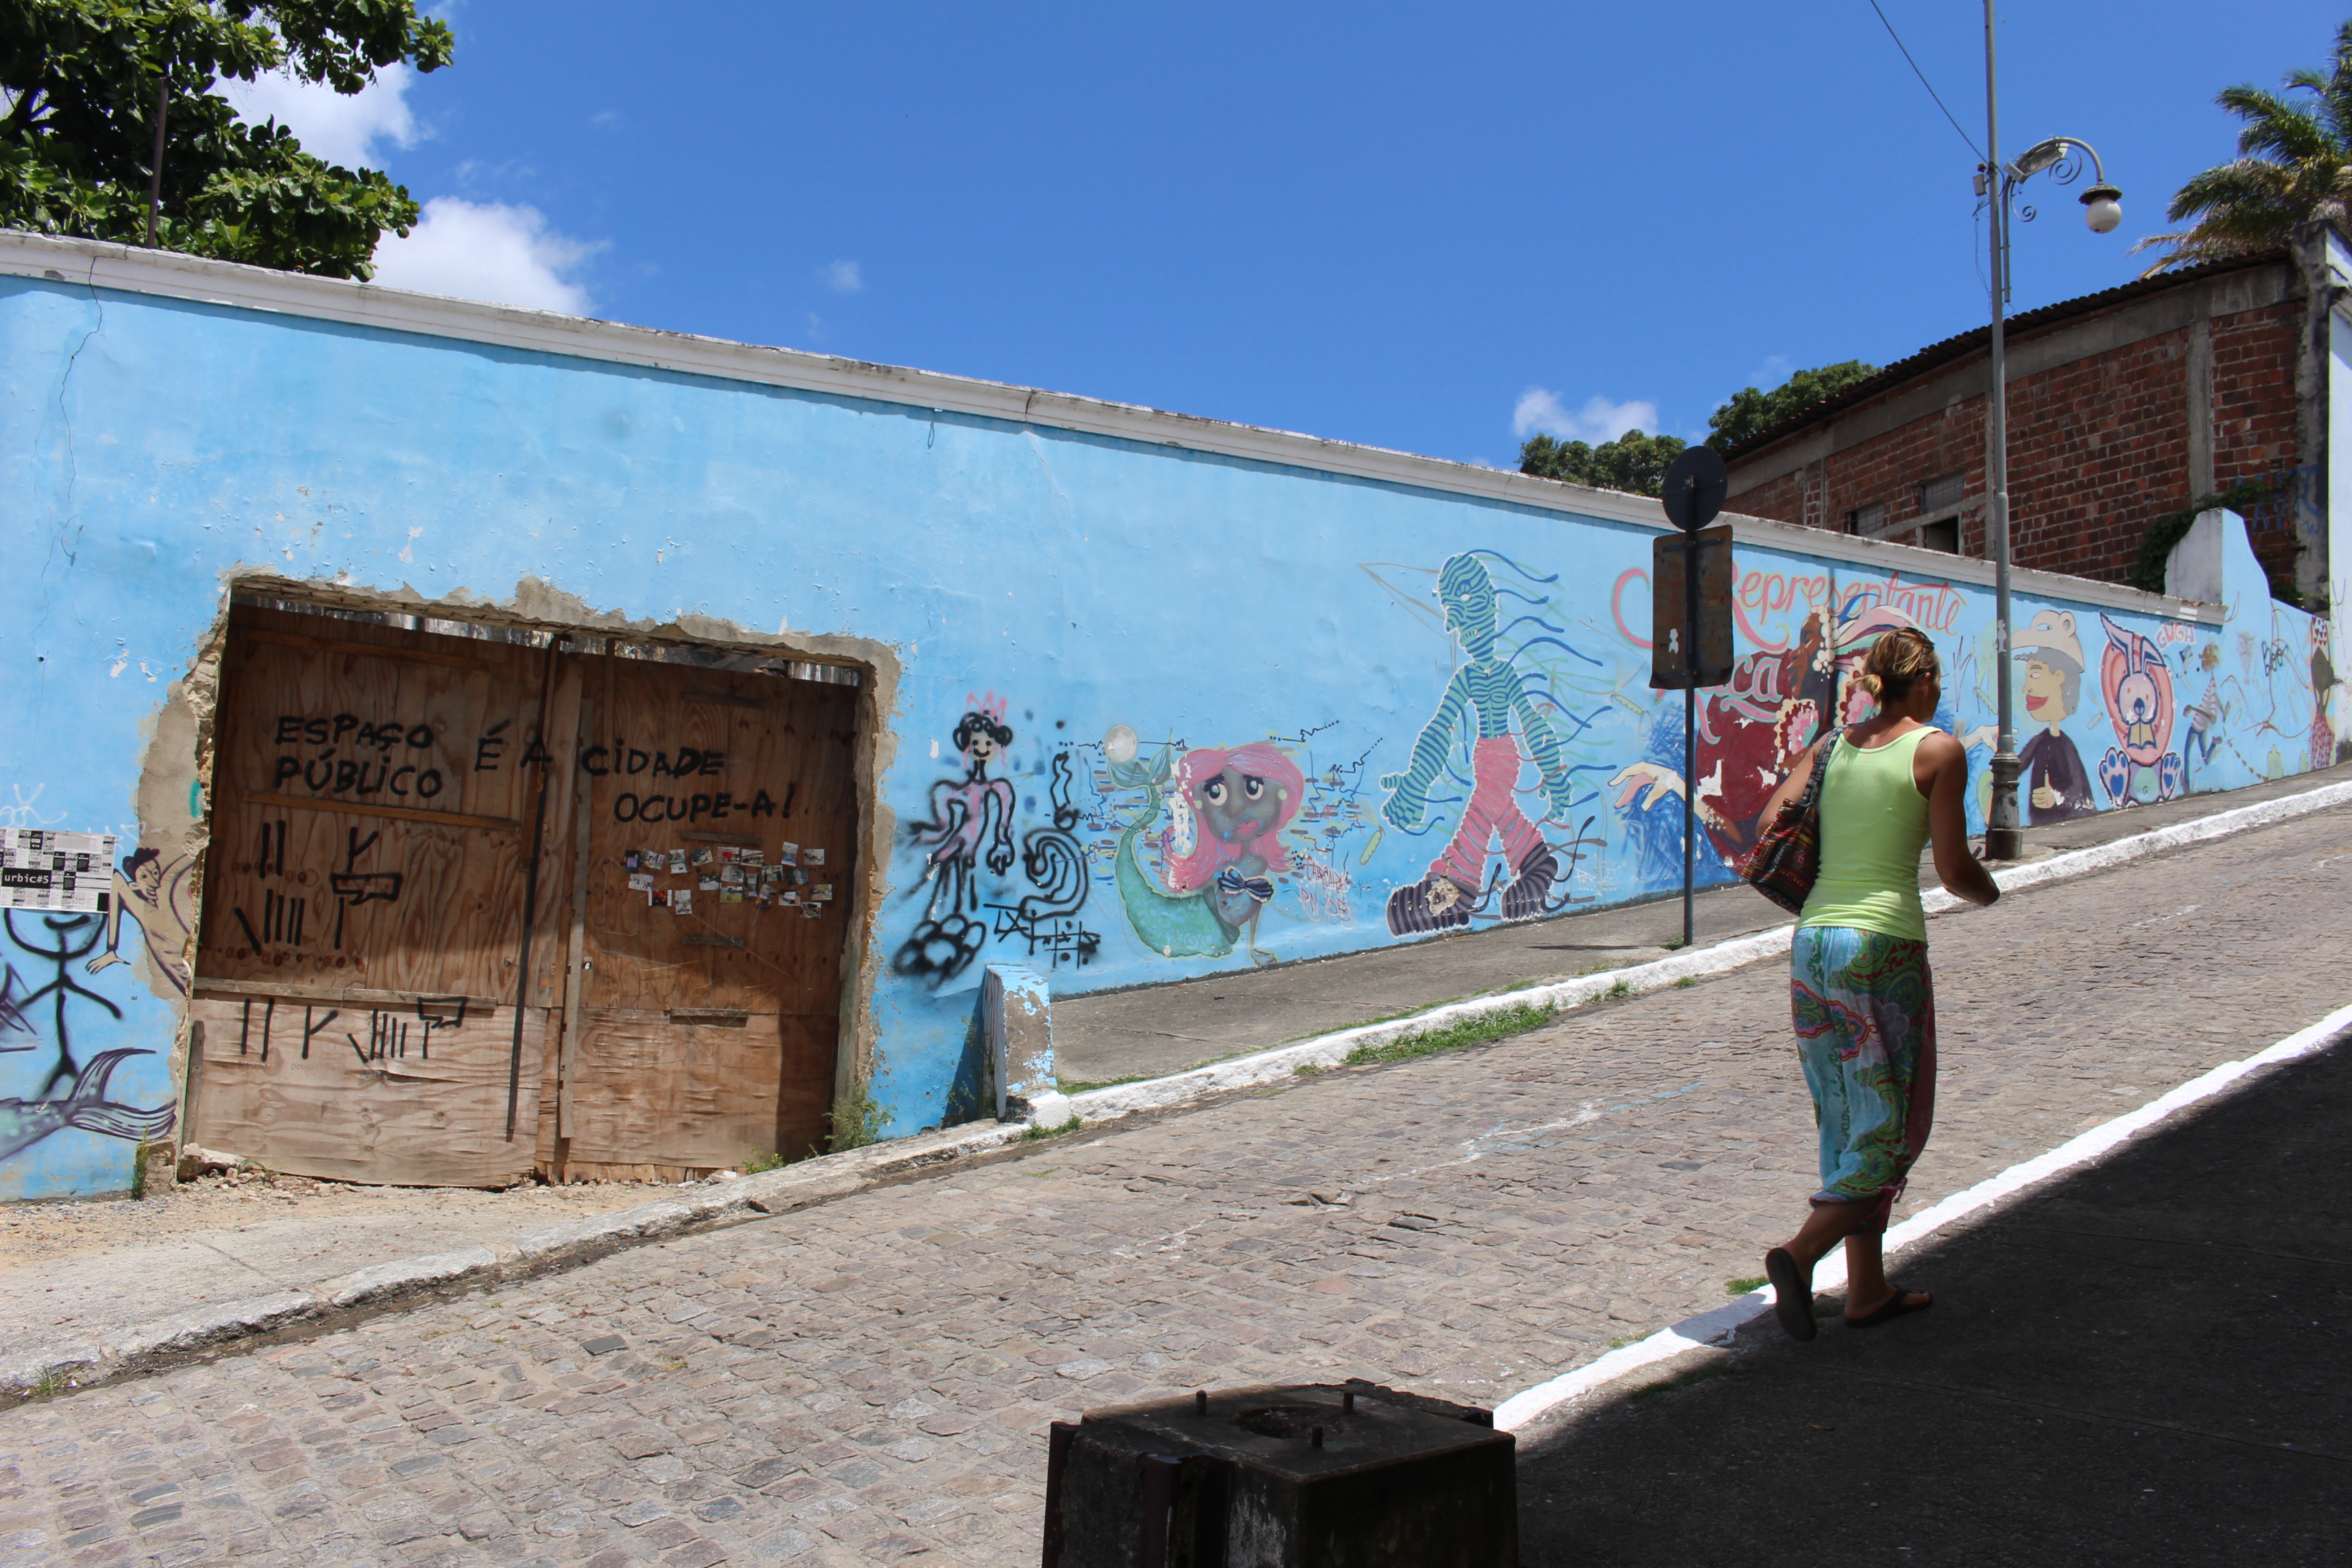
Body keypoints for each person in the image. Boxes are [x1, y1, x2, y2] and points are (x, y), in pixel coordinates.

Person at [1754, 625, 1999, 1340]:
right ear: (1921, 681)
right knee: (1894, 1128)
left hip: (1814, 944)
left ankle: (1866, 1290)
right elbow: (1953, 869)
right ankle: (1801, 1254)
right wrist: (1990, 891)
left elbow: (1770, 821)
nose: (1940, 692)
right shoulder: (1938, 751)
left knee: (1846, 1116)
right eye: (1937, 680)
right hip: (1882, 948)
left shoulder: (1831, 747)